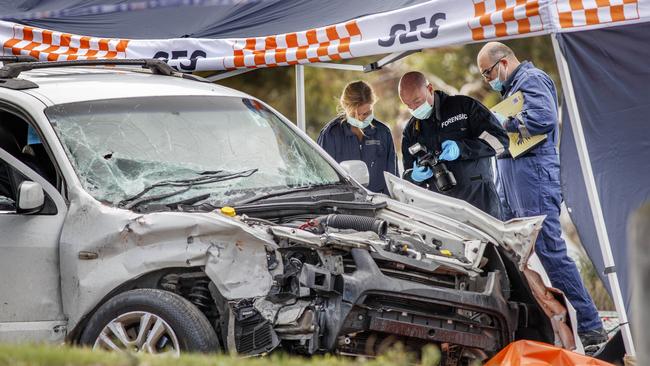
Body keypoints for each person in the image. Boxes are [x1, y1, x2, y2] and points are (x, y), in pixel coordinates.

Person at [477, 42, 607, 347]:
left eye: (488, 73)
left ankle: (590, 326)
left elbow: (544, 119)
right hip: (514, 180)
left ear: (504, 63)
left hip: (533, 178)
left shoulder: (531, 80)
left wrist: (501, 124)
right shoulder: (512, 90)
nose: (488, 80)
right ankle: (540, 325)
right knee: (510, 254)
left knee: (550, 252)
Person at [399, 71, 508, 219]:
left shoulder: (464, 106)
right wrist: (414, 176)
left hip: (479, 200)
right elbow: (407, 174)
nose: (414, 108)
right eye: (408, 105)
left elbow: (500, 141)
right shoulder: (411, 130)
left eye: (417, 101)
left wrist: (461, 148)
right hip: (441, 209)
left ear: (430, 89)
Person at [317, 80, 397, 194]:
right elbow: (322, 179)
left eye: (366, 113)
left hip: (380, 202)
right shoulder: (330, 135)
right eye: (355, 114)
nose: (361, 118)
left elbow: (393, 178)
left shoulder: (383, 133)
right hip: (344, 204)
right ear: (345, 107)